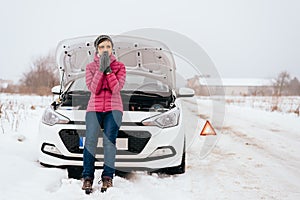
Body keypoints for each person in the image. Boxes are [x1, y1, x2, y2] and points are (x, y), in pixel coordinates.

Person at [81, 35, 126, 193]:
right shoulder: (90, 67)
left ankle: (108, 177)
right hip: (94, 108)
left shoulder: (120, 66)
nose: (105, 49)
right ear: (97, 50)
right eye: (102, 47)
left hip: (114, 109)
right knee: (90, 141)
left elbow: (115, 89)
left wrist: (108, 71)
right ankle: (87, 177)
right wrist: (101, 69)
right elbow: (94, 89)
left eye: (108, 46)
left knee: (109, 142)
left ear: (112, 48)